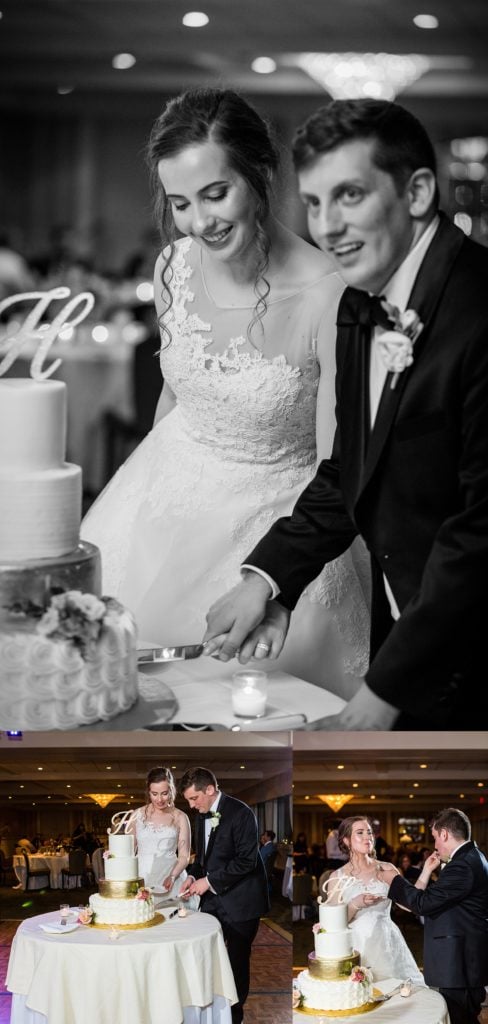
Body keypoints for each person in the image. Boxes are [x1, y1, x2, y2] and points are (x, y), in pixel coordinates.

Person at [203, 96, 488, 731]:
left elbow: (480, 531)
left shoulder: (479, 309)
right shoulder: (362, 300)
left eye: (350, 196)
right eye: (313, 202)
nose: (327, 225)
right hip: (407, 635)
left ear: (416, 192)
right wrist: (270, 583)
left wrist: (386, 691)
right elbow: (350, 469)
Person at [81, 86, 370, 699]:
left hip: (271, 528)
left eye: (216, 194)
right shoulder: (173, 267)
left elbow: (336, 463)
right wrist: (148, 495)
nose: (200, 222)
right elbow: (174, 397)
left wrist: (274, 581)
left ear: (260, 172)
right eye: (181, 202)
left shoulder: (329, 295)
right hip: (158, 503)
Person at [179, 766, 269, 1024]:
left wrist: (209, 881)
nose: (192, 806)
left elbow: (247, 861)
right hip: (212, 901)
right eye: (188, 801)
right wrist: (193, 875)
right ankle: (210, 1014)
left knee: (236, 963)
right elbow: (203, 858)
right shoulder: (201, 815)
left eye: (194, 799)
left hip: (242, 902)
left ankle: (233, 1018)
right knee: (205, 955)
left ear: (210, 789)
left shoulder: (242, 813)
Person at [389, 807, 488, 1024]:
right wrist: (426, 871)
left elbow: (423, 903)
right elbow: (440, 897)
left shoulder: (462, 865)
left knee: (460, 1018)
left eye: (435, 837)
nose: (434, 845)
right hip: (464, 960)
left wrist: (393, 880)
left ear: (444, 834)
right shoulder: (472, 856)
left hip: (459, 962)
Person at [324, 816, 424, 984]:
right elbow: (333, 924)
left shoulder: (387, 868)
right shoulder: (337, 877)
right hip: (355, 946)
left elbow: (409, 904)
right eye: (360, 833)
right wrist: (355, 904)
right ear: (347, 840)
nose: (367, 837)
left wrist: (426, 870)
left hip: (386, 943)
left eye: (369, 832)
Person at [125, 766, 191, 898]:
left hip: (170, 876)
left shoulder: (181, 817)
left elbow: (184, 856)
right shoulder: (137, 815)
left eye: (164, 793)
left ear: (171, 790)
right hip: (142, 877)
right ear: (148, 792)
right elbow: (128, 852)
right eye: (154, 794)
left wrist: (172, 876)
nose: (159, 799)